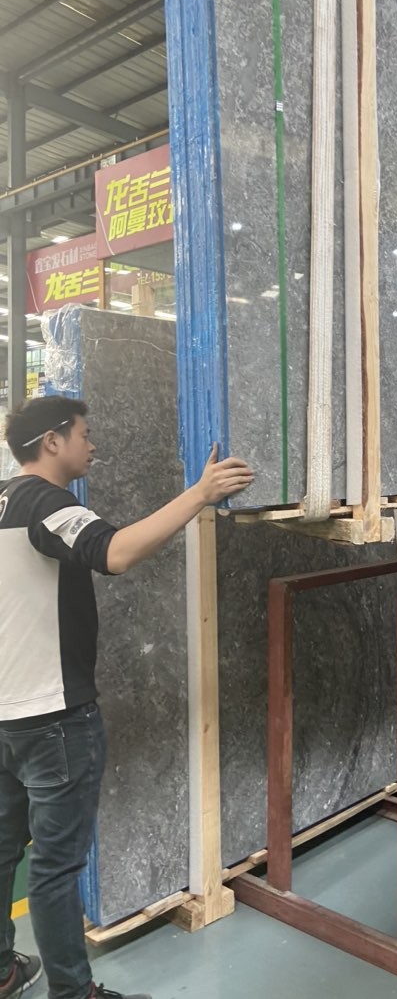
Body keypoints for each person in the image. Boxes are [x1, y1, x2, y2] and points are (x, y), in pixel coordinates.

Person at [0, 395, 253, 999]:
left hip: (6, 714)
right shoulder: (46, 503)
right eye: (84, 434)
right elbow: (113, 552)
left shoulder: (3, 499)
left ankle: (4, 970)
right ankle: (74, 993)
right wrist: (200, 494)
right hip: (53, 718)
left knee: (4, 849)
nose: (92, 445)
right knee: (55, 868)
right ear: (53, 441)